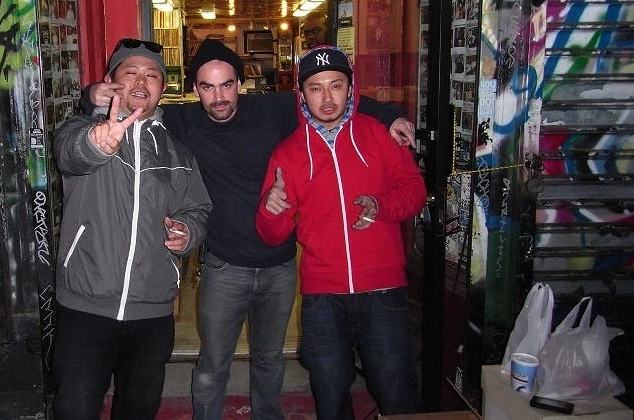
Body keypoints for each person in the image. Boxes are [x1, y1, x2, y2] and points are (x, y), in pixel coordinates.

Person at [81, 38, 416, 420]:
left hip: (280, 265)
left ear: (240, 83)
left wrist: (390, 115)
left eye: (226, 84)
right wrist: (91, 95)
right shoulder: (182, 119)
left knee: (270, 361)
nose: (218, 97)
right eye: (207, 87)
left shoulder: (272, 109)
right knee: (212, 364)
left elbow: (329, 94)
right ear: (195, 90)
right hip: (224, 267)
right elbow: (132, 109)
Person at [255, 45, 426, 418]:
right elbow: (272, 234)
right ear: (302, 94)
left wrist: (380, 206)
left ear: (351, 87)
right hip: (323, 295)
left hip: (383, 289)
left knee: (397, 393)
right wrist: (271, 208)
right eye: (315, 88)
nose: (327, 97)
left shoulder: (378, 135)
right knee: (330, 396)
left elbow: (414, 192)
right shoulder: (288, 153)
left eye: (336, 85)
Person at [52, 38, 212, 420]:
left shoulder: (177, 152)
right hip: (85, 306)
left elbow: (199, 208)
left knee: (139, 410)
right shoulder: (81, 128)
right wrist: (96, 144)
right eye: (131, 72)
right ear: (111, 82)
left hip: (151, 311)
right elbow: (71, 154)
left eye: (151, 75)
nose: (141, 82)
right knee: (74, 409)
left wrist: (188, 231)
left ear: (162, 88)